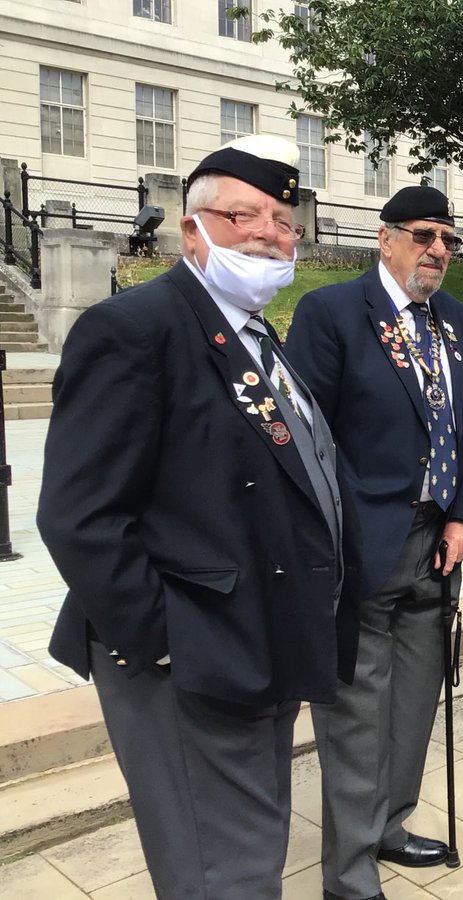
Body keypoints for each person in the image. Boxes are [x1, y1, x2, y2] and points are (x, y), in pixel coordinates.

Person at [38, 135, 359, 899]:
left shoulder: (255, 335)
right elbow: (78, 515)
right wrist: (167, 640)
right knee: (224, 875)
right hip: (195, 658)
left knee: (250, 851)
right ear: (191, 229)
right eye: (244, 214)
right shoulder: (136, 329)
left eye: (284, 220)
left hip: (261, 642)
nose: (269, 234)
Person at [285, 185, 463, 900]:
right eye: (425, 234)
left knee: (414, 705)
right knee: (356, 716)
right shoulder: (333, 313)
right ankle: (348, 872)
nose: (438, 250)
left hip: (438, 545)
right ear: (386, 237)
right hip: (362, 545)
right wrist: (336, 538)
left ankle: (392, 824)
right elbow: (308, 441)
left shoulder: (453, 320)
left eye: (449, 240)